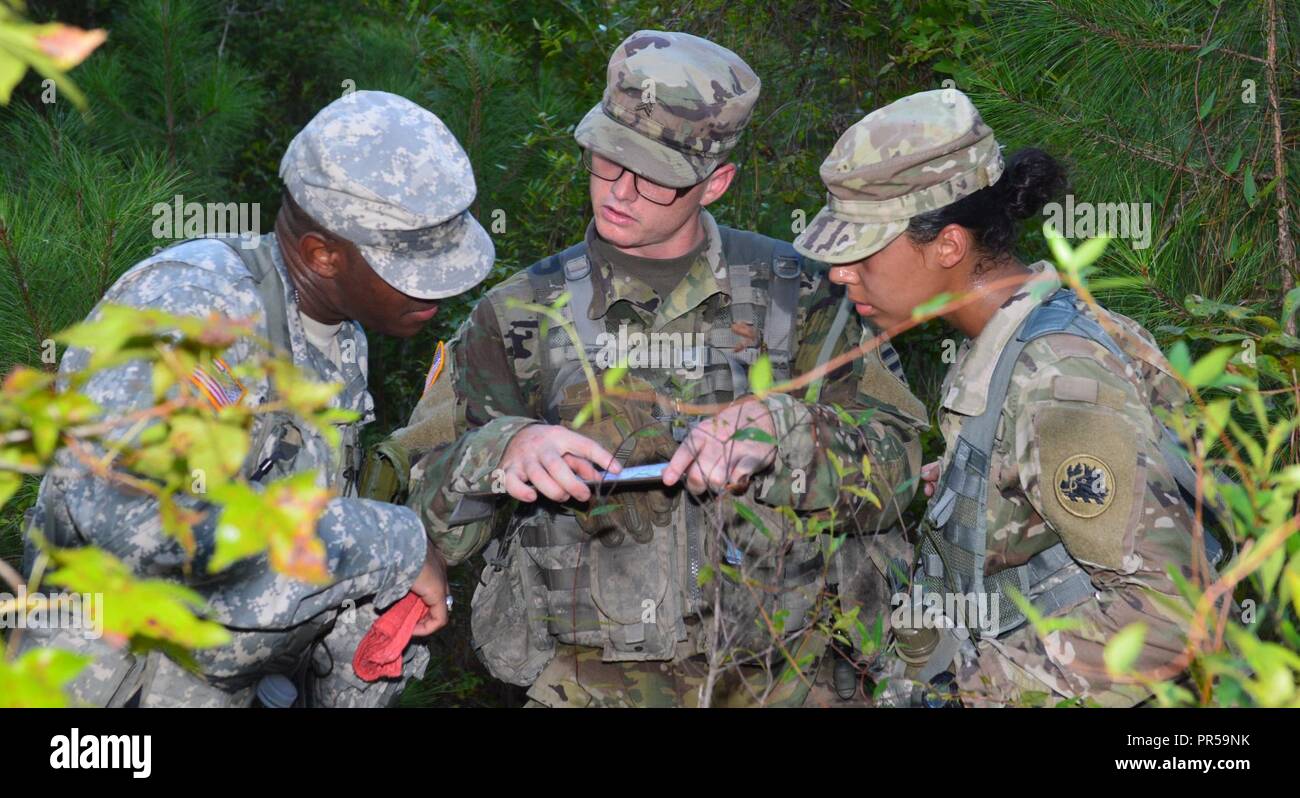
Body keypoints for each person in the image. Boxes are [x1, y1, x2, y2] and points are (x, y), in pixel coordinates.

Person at [400, 30, 926, 707]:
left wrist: (790, 436)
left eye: (655, 177)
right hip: (584, 685)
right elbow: (417, 509)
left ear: (716, 183)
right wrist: (502, 450)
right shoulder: (517, 314)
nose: (620, 190)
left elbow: (903, 469)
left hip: (790, 682)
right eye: (607, 160)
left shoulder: (802, 297)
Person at [19, 90, 494, 707]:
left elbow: (304, 540)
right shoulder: (189, 310)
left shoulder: (339, 331)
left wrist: (362, 643)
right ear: (322, 254)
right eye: (413, 268)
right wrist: (394, 544)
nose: (443, 289)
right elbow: (141, 537)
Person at [795, 87, 1224, 707]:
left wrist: (968, 693)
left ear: (948, 245)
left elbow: (1171, 617)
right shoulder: (1012, 345)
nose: (840, 273)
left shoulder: (1057, 379)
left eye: (861, 250)